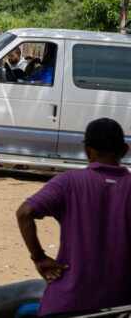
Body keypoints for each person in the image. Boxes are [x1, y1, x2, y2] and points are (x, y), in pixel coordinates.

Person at [16, 118, 131, 316]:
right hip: (118, 306)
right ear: (123, 151)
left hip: (67, 304)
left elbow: (24, 212)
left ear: (87, 150)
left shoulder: (68, 182)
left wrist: (39, 258)